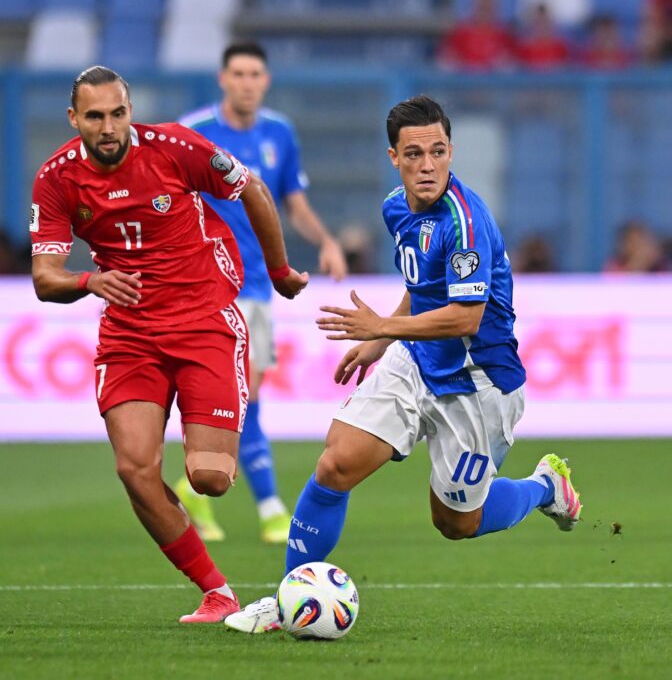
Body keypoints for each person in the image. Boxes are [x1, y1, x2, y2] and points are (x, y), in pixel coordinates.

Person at [224, 95, 583, 634]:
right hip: (415, 360)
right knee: (335, 465)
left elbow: (465, 317)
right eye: (414, 154)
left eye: (438, 152)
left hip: (480, 383)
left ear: (451, 151)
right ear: (394, 157)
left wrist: (381, 329)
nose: (427, 165)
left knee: (457, 523)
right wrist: (382, 340)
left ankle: (545, 487)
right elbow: (422, 286)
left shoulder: (465, 223)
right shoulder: (396, 207)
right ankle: (287, 598)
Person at [30, 66, 307, 624]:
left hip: (204, 318)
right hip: (130, 334)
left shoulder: (175, 148)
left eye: (118, 113)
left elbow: (253, 188)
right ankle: (216, 592)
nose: (109, 127)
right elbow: (44, 277)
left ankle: (213, 455)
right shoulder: (57, 178)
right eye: (95, 116)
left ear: (130, 111)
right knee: (134, 468)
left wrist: (278, 271)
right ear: (74, 119)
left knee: (210, 479)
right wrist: (89, 281)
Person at [175, 42, 347, 545]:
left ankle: (194, 490)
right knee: (242, 392)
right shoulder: (194, 132)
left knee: (244, 394)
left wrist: (326, 241)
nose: (247, 82)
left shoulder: (279, 133)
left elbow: (293, 203)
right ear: (222, 79)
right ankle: (271, 508)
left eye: (255, 74)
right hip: (205, 283)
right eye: (238, 73)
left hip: (257, 285)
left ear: (265, 80)